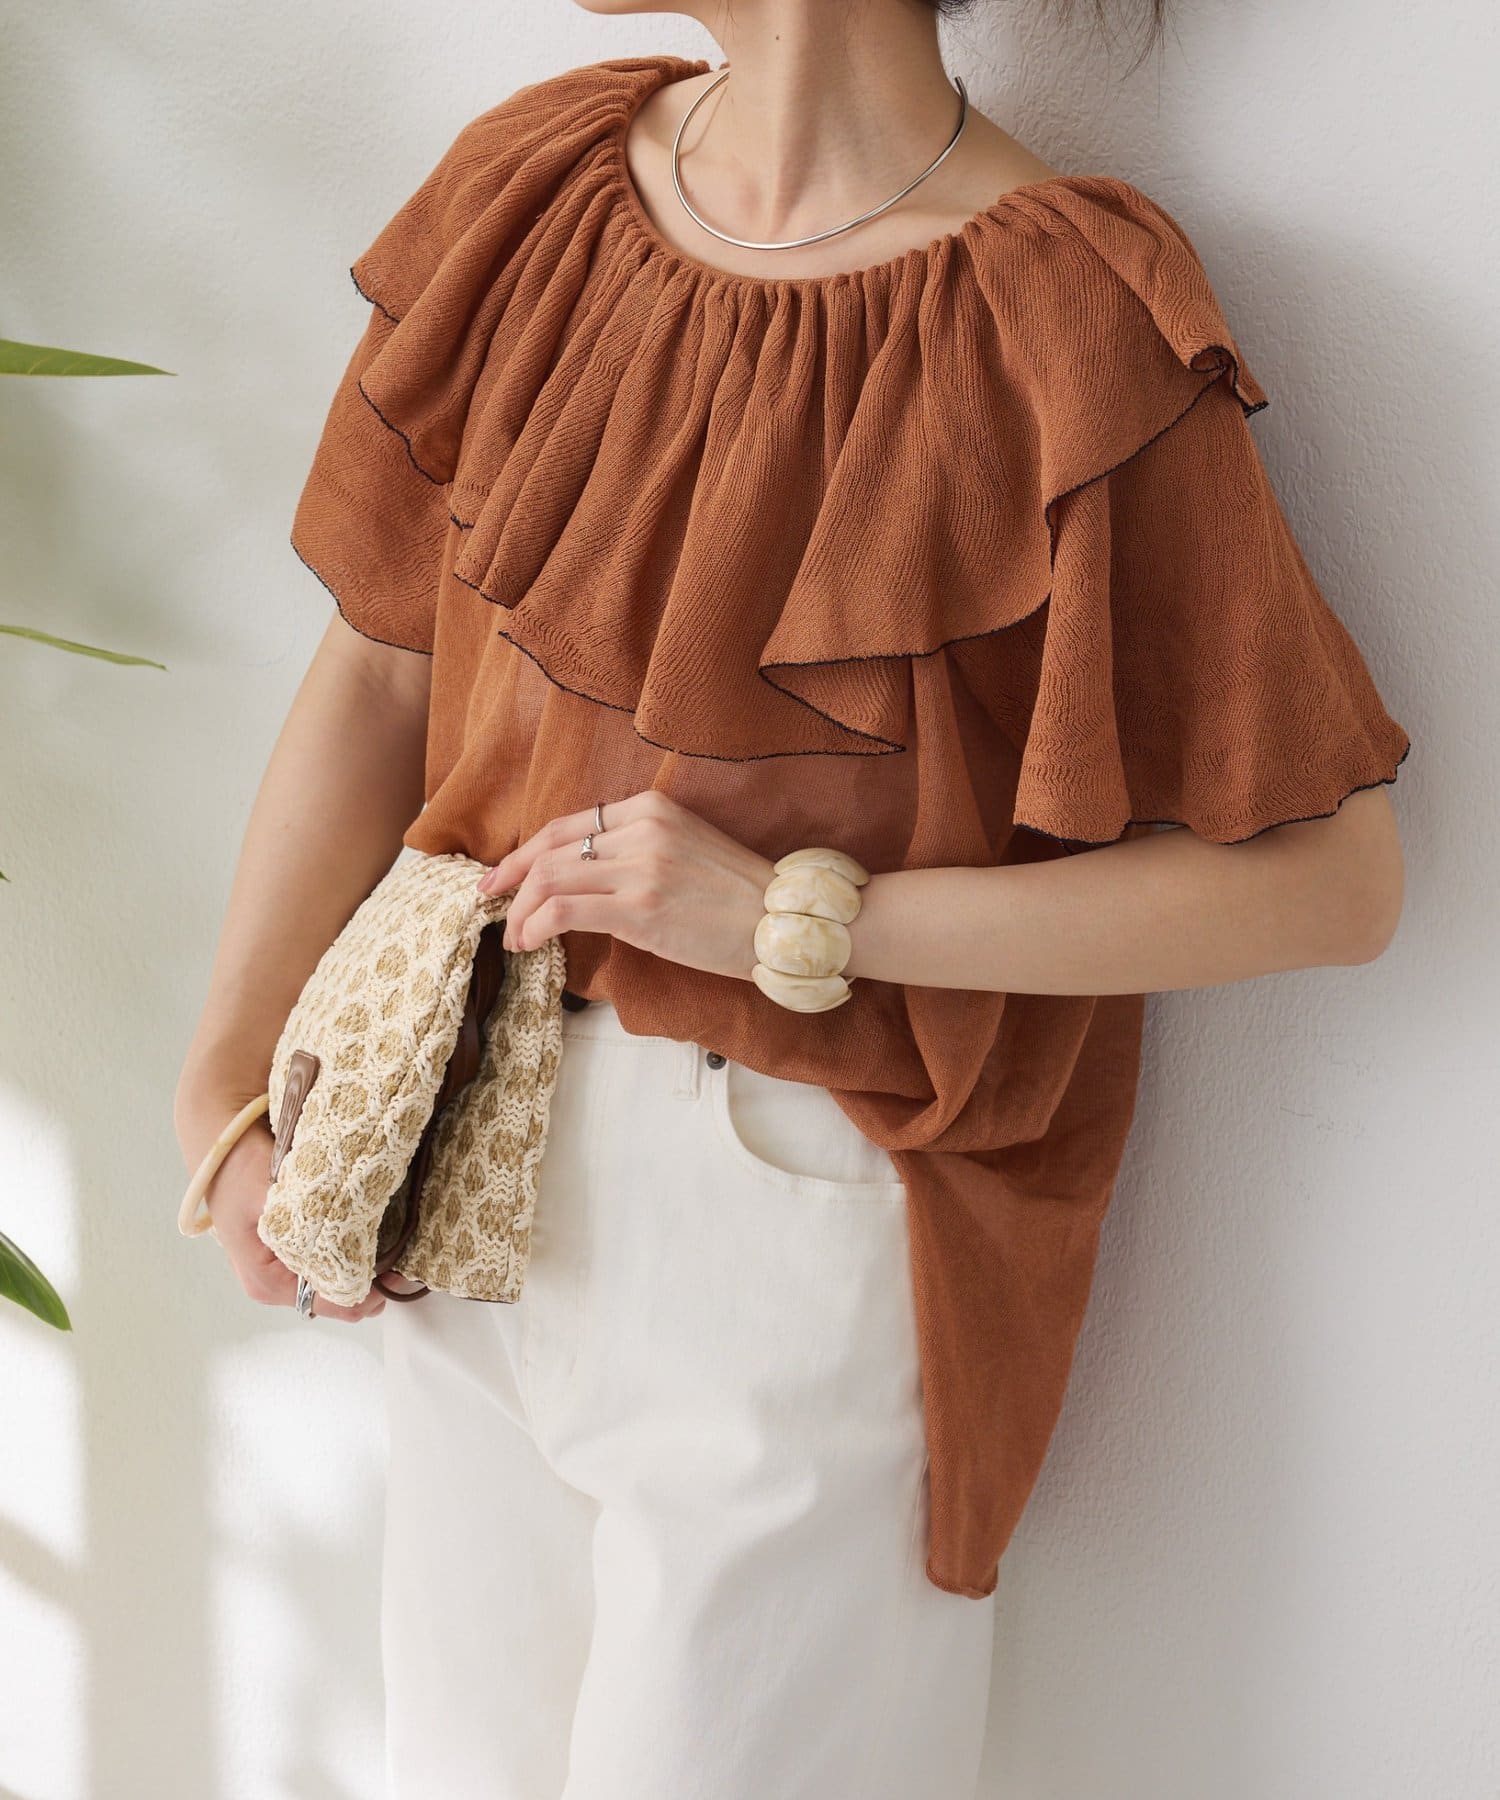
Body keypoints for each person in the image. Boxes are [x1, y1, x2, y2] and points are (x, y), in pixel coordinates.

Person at [173, 3, 1412, 1795]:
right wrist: (220, 1091)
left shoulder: (1055, 316)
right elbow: (379, 667)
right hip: (458, 1140)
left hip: (787, 1207)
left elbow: (1330, 881)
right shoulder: (538, 194)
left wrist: (802, 920)